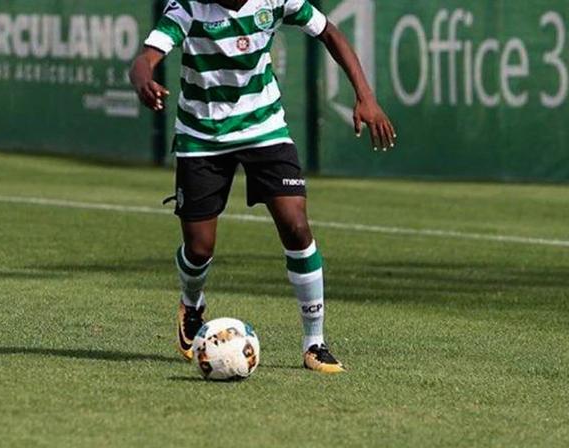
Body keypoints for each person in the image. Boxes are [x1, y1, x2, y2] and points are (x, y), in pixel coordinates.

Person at [130, 0, 396, 373]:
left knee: (296, 226)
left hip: (264, 129)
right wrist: (143, 81)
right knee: (200, 247)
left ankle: (315, 343)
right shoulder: (188, 7)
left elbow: (329, 32)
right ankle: (191, 304)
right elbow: (145, 58)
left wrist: (366, 96)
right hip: (201, 137)